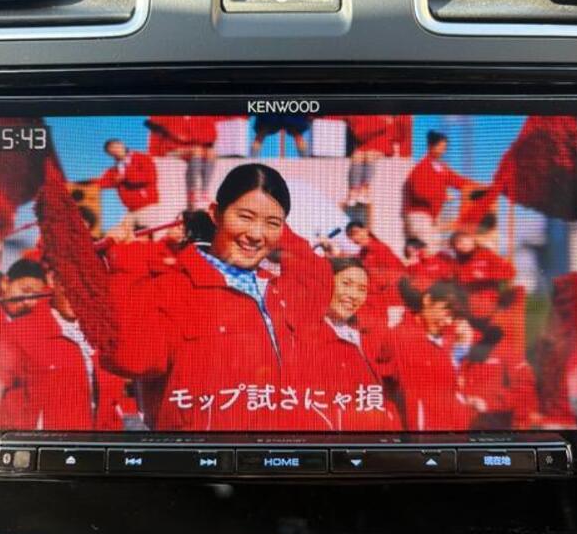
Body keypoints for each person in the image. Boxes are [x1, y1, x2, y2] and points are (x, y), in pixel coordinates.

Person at [109, 163, 333, 431]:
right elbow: (131, 358)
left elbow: (316, 276)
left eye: (272, 224)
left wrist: (274, 226)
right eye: (245, 217)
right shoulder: (172, 285)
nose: (255, 234)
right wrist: (126, 267)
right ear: (215, 214)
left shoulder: (278, 290)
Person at [8, 270, 136, 431]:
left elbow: (114, 399)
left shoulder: (104, 333)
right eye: (71, 285)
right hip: (52, 443)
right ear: (52, 279)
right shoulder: (20, 332)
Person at [291, 258, 401, 431]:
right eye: (346, 283)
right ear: (326, 282)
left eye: (362, 289)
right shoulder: (305, 332)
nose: (354, 295)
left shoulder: (364, 338)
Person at [382, 281, 470, 431]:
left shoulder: (450, 342)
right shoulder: (399, 336)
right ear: (427, 300)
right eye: (446, 312)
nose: (448, 321)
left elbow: (456, 395)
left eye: (454, 317)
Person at [0, 259, 48, 430]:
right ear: (5, 282)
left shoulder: (33, 330)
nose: (28, 301)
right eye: (25, 290)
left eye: (36, 296)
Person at [403, 131, 476, 254]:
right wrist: (443, 195)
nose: (443, 150)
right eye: (440, 146)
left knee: (435, 249)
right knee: (430, 250)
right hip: (418, 215)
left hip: (431, 217)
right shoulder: (421, 167)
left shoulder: (441, 167)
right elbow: (418, 191)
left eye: (444, 147)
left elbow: (458, 181)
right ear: (431, 146)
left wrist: (481, 187)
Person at [146, 116, 218, 209]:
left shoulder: (199, 118)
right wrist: (172, 134)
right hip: (171, 148)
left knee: (211, 153)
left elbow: (210, 136)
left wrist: (190, 138)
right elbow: (150, 123)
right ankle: (192, 192)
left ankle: (204, 192)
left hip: (191, 147)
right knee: (196, 150)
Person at [346, 220, 406, 330]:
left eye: (356, 232)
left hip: (391, 304)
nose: (355, 238)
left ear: (366, 230)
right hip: (375, 304)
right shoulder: (363, 254)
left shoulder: (380, 248)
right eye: (351, 236)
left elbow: (396, 275)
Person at [99, 139, 159, 240]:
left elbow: (150, 177)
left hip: (147, 207)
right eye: (111, 152)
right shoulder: (115, 169)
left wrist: (126, 176)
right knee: (121, 237)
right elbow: (101, 183)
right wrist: (80, 184)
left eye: (115, 147)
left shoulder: (141, 157)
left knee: (152, 237)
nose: (115, 151)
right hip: (131, 210)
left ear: (121, 144)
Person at [344, 116, 394, 207]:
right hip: (364, 145)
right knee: (356, 156)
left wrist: (374, 127)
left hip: (381, 144)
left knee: (369, 156)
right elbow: (359, 133)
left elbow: (387, 124)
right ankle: (353, 191)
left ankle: (364, 190)